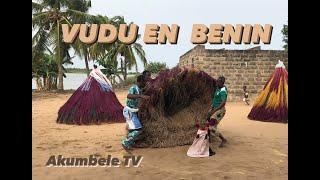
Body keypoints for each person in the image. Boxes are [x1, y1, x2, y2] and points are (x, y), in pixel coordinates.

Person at [121, 75, 150, 150]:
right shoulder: (133, 88)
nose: (145, 83)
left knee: (133, 130)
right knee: (139, 129)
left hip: (132, 112)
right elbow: (129, 95)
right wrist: (141, 96)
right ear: (140, 82)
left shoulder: (139, 90)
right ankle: (125, 142)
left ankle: (130, 143)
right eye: (144, 82)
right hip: (130, 112)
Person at [207, 76, 228, 148]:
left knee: (211, 127)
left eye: (218, 82)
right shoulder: (218, 88)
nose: (216, 83)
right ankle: (208, 138)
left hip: (220, 110)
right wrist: (211, 108)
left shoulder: (223, 91)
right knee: (207, 121)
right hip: (214, 108)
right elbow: (215, 99)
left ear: (222, 83)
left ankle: (223, 139)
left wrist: (214, 111)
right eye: (217, 81)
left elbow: (223, 103)